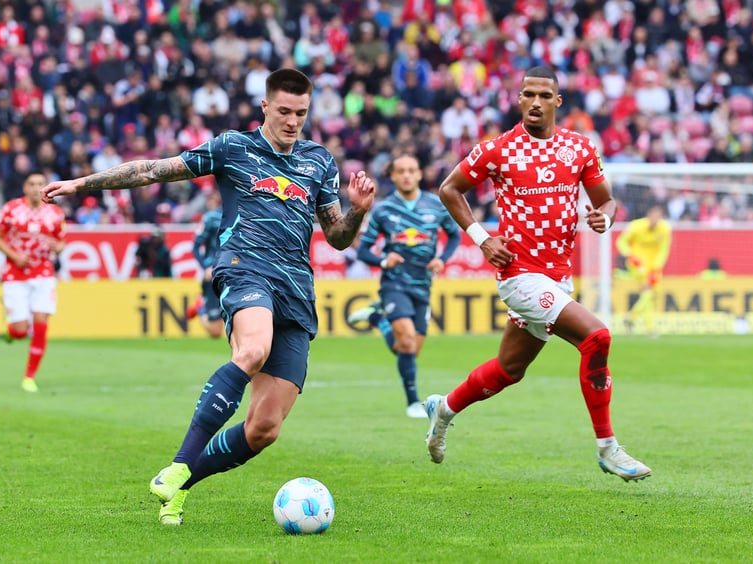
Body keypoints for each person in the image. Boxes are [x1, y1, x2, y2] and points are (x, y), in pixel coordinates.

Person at [41, 68, 376, 525]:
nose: (292, 121)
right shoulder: (233, 148)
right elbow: (153, 171)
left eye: (300, 113)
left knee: (264, 429)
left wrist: (356, 211)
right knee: (253, 349)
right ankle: (181, 461)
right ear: (265, 106)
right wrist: (81, 184)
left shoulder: (320, 161)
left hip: (297, 288)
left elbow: (337, 238)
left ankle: (180, 485)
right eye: (283, 111)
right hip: (246, 268)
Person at [426, 66, 651, 482]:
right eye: (527, 94)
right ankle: (608, 449)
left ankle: (443, 409)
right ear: (518, 100)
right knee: (597, 337)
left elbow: (607, 202)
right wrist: (481, 238)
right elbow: (448, 188)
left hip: (557, 278)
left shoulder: (580, 148)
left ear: (557, 101)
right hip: (518, 275)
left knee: (509, 369)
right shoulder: (497, 149)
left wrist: (603, 217)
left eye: (544, 96)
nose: (534, 102)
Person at [346, 155, 460, 418]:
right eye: (401, 171)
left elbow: (454, 235)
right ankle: (412, 403)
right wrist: (384, 260)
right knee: (407, 342)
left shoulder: (436, 206)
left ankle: (377, 317)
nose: (407, 175)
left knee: (407, 349)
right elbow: (363, 250)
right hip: (394, 284)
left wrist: (441, 259)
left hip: (423, 285)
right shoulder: (384, 210)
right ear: (393, 176)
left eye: (411, 170)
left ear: (420, 174)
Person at [0, 171, 66, 393]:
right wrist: (15, 256)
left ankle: (29, 376)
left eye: (41, 184)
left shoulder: (55, 213)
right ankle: (11, 331)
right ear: (25, 187)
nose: (36, 188)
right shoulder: (10, 210)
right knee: (21, 330)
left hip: (43, 272)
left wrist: (58, 248)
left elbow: (61, 242)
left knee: (41, 321)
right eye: (32, 184)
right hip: (16, 274)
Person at [616, 204, 671, 336]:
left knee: (650, 296)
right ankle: (646, 326)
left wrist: (657, 266)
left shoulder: (664, 229)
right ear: (649, 215)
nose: (655, 219)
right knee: (648, 291)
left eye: (659, 216)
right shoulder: (636, 226)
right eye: (654, 215)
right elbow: (621, 241)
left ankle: (633, 319)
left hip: (653, 266)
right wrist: (629, 254)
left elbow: (664, 249)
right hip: (637, 263)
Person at [186, 190, 224, 338]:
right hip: (214, 272)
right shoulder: (211, 218)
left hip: (234, 271)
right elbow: (195, 247)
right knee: (215, 332)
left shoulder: (241, 216)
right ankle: (201, 306)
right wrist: (205, 267)